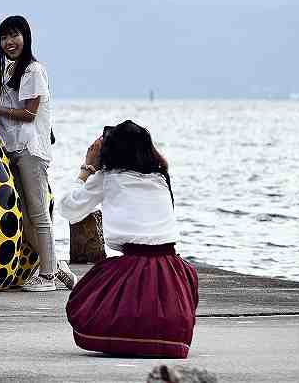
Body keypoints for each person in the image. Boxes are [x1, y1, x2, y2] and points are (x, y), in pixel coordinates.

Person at [57, 120, 199, 358]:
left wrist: (87, 168)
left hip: (132, 264)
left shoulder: (108, 177)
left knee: (87, 293)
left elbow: (69, 209)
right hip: (172, 271)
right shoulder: (161, 178)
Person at [0, 15, 77, 292]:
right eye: (4, 37)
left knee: (38, 212)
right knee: (23, 214)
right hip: (12, 148)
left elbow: (29, 113)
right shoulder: (8, 71)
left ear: (26, 37)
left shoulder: (33, 70)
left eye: (15, 35)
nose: (9, 42)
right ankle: (56, 268)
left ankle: (47, 277)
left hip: (31, 150)